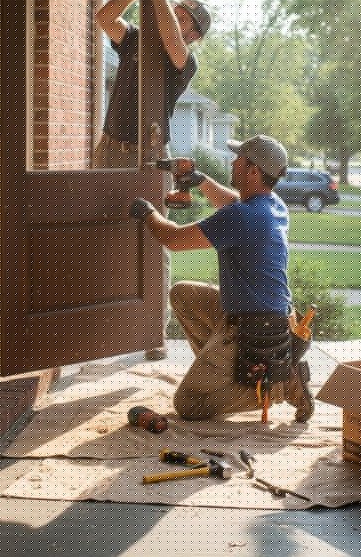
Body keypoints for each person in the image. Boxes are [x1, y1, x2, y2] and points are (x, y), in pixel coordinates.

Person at [129, 135, 314, 422]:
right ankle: (226, 372)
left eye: (239, 158)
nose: (232, 162)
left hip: (253, 328)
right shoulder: (272, 205)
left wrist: (147, 213)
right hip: (270, 316)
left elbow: (173, 239)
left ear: (253, 171)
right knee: (182, 294)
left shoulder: (241, 217)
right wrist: (201, 181)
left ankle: (281, 386)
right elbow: (230, 200)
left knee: (189, 403)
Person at [94, 0, 211, 168]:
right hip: (109, 149)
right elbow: (105, 18)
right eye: (174, 13)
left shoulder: (186, 62)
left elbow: (172, 40)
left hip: (149, 154)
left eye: (182, 20)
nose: (173, 19)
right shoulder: (135, 38)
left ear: (193, 36)